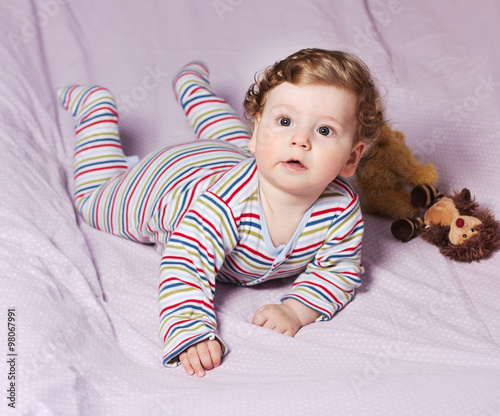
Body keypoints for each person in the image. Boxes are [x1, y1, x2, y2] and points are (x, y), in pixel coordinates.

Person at [57, 48, 385, 378]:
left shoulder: (341, 207)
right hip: (169, 180)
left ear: (351, 159)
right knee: (92, 202)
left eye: (324, 130)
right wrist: (190, 331)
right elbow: (186, 263)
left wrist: (297, 310)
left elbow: (339, 269)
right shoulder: (221, 207)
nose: (300, 140)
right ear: (259, 130)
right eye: (285, 121)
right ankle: (95, 112)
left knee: (237, 143)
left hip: (232, 156)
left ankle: (193, 89)